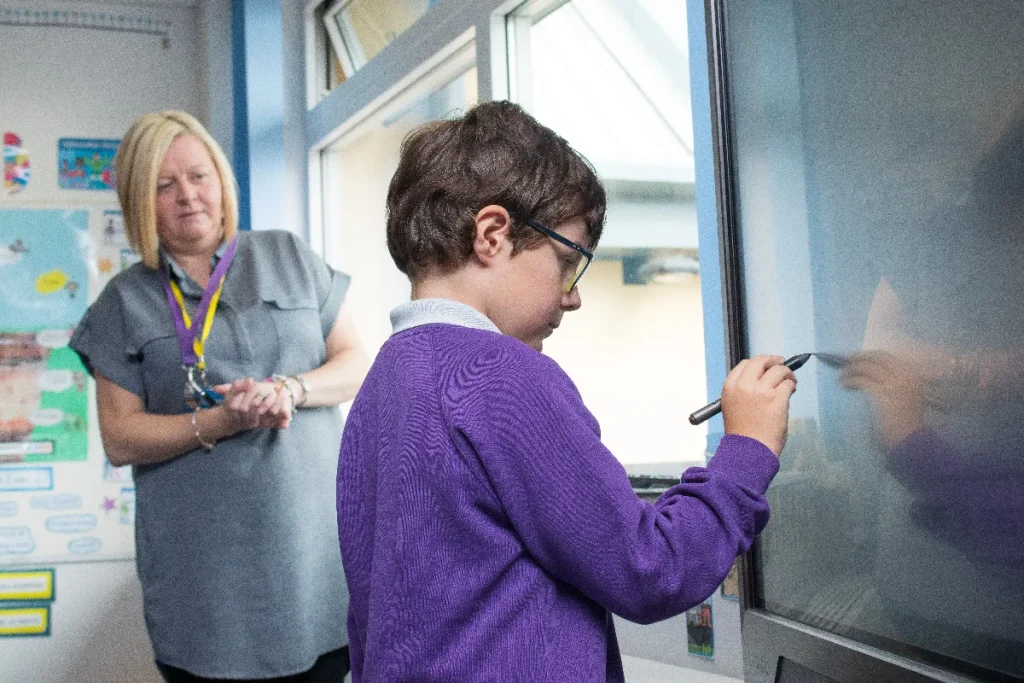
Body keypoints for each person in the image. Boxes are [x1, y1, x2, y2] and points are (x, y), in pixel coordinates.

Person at [337, 101, 797, 682]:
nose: (572, 297)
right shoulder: (501, 375)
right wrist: (747, 449)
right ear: (493, 234)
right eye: (568, 263)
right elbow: (650, 568)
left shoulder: (385, 381)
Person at [70, 111, 369, 682]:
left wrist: (291, 387)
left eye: (199, 175)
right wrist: (220, 421)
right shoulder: (122, 303)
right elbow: (120, 437)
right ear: (140, 200)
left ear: (222, 181)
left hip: (315, 576)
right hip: (206, 596)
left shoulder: (289, 256)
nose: (188, 196)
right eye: (164, 185)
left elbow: (357, 364)